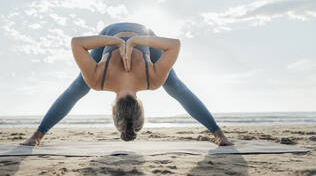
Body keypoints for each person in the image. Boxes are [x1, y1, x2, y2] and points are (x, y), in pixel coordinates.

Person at [21, 22, 233, 146]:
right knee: (175, 86)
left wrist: (123, 41)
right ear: (113, 110)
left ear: (141, 107)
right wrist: (128, 41)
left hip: (135, 34)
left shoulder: (153, 81)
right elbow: (77, 44)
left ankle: (218, 134)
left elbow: (174, 45)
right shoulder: (98, 81)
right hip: (127, 33)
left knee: (174, 85)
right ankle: (37, 136)